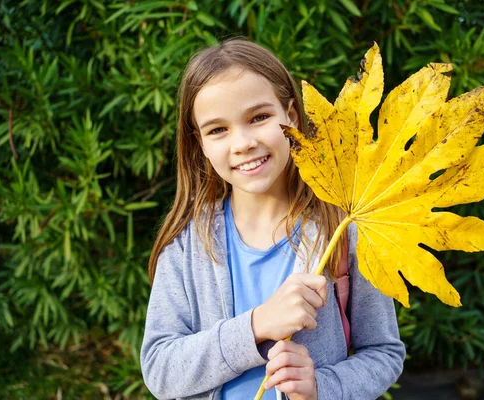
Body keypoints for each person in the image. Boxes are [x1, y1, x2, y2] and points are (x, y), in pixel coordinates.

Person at [140, 37, 405, 400]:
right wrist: (254, 326)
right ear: (200, 142)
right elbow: (159, 367)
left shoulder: (343, 232)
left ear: (291, 117)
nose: (243, 142)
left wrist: (321, 389)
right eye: (218, 129)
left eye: (259, 117)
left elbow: (384, 352)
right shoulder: (186, 247)